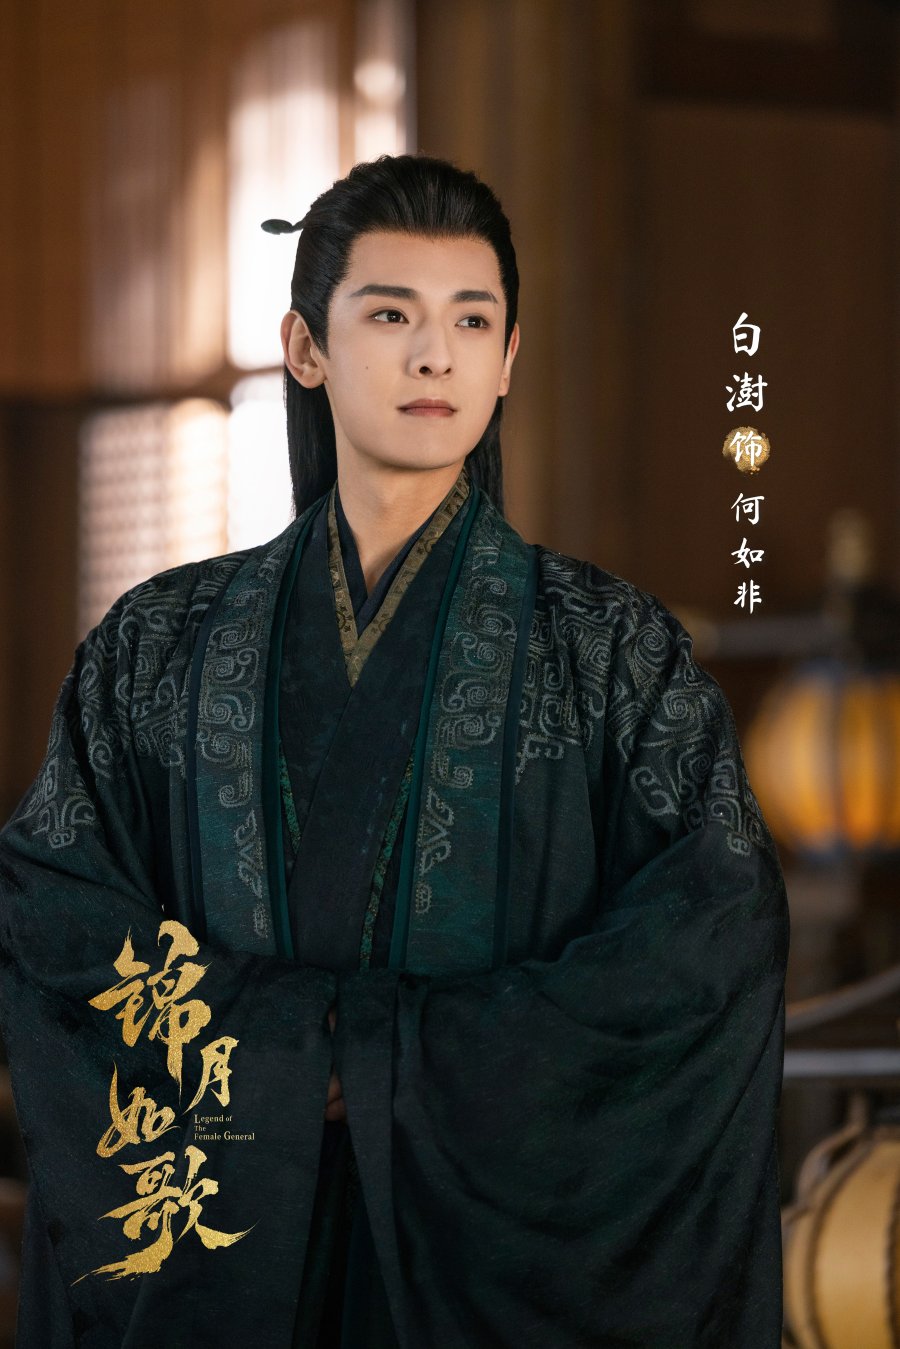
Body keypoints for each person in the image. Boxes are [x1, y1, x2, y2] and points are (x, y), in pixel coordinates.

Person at [0, 152, 789, 1348]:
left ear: (509, 356)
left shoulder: (612, 649)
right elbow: (56, 915)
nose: (436, 356)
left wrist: (373, 1064)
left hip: (493, 1255)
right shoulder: (156, 643)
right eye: (389, 315)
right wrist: (289, 1060)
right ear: (305, 347)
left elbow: (711, 937)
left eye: (471, 320)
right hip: (235, 1245)